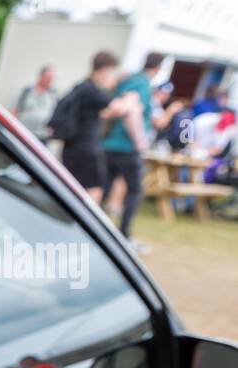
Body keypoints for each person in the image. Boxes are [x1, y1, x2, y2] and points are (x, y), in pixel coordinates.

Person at [102, 53, 163, 251]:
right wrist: (140, 143)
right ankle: (124, 236)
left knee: (105, 188)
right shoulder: (142, 84)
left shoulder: (127, 79)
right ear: (158, 68)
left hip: (108, 144)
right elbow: (131, 113)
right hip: (126, 147)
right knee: (135, 190)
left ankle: (100, 231)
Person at [54, 51, 121, 203]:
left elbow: (99, 113)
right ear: (104, 69)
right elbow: (119, 107)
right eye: (111, 72)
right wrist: (131, 99)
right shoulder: (93, 90)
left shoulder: (80, 86)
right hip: (87, 150)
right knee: (94, 190)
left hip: (71, 147)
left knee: (70, 187)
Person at [15, 65, 59, 140]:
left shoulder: (53, 94)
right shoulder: (27, 91)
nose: (50, 81)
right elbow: (16, 109)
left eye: (51, 79)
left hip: (42, 136)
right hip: (23, 133)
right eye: (48, 78)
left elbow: (56, 113)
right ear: (41, 76)